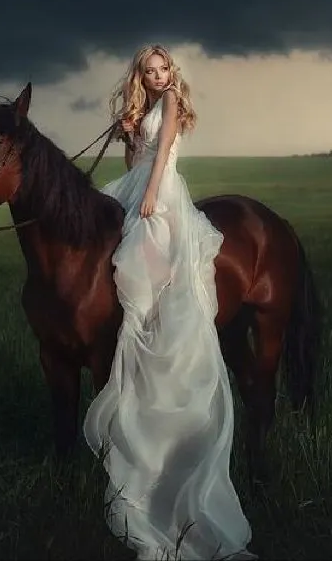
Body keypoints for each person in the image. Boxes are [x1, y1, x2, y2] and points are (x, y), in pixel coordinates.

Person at [83, 44, 255, 560]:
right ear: (141, 75)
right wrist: (128, 132)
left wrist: (154, 196)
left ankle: (156, 322)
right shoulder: (141, 107)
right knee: (104, 244)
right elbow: (137, 158)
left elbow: (162, 157)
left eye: (163, 70)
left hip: (163, 188)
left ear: (171, 74)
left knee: (146, 251)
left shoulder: (174, 101)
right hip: (137, 183)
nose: (158, 78)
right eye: (150, 72)